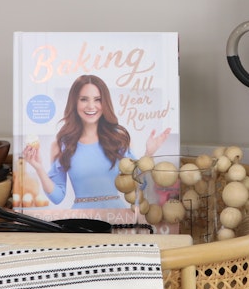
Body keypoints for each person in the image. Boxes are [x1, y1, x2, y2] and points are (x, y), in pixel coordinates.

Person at [23, 73, 170, 210]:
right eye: (84, 99)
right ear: (74, 103)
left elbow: (140, 184)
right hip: (80, 222)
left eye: (97, 99)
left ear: (104, 102)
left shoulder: (118, 138)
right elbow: (57, 197)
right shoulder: (61, 144)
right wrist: (39, 168)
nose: (91, 106)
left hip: (115, 216)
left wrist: (148, 154)